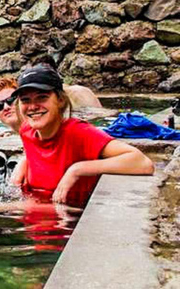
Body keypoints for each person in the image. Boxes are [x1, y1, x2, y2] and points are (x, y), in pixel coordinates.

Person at [12, 64, 153, 205]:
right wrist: (25, 162)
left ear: (60, 100)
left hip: (66, 218)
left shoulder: (78, 132)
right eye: (25, 100)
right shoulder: (27, 130)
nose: (32, 106)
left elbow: (143, 163)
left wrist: (77, 169)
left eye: (42, 97)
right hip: (34, 214)